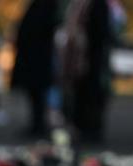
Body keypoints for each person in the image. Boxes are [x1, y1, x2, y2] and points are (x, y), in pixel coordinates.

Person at [60, 0, 113, 142]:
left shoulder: (98, 5)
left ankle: (92, 129)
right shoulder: (80, 4)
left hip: (92, 59)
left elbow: (102, 33)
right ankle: (82, 127)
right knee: (81, 94)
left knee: (93, 95)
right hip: (80, 59)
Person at [11, 0, 60, 136]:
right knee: (35, 95)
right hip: (35, 58)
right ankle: (37, 124)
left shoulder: (46, 5)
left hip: (37, 58)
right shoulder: (41, 5)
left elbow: (39, 28)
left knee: (37, 94)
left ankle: (38, 125)